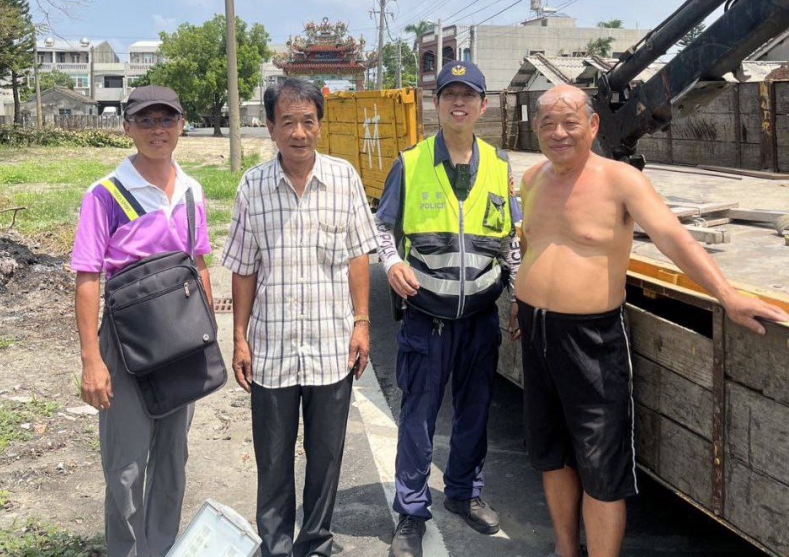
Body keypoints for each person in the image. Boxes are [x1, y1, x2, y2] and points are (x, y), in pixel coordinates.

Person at [514, 84, 789, 557]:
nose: (559, 132)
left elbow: (672, 238)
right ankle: (564, 549)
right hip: (537, 330)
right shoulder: (533, 178)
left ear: (593, 125)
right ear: (536, 128)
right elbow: (533, 245)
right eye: (548, 124)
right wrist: (526, 304)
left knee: (602, 463)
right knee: (550, 451)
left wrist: (727, 296)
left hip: (591, 337)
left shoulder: (620, 180)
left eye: (570, 122)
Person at [222, 78, 378, 557]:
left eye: (308, 121)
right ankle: (275, 545)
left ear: (319, 126)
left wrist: (362, 322)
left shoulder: (345, 178)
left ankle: (315, 543)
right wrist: (240, 338)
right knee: (273, 460)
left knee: (327, 457)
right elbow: (244, 269)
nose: (298, 132)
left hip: (331, 347)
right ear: (270, 127)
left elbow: (357, 257)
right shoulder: (253, 185)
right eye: (287, 122)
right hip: (272, 350)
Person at [376, 60, 522, 557]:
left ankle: (463, 493)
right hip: (428, 317)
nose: (458, 103)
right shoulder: (411, 162)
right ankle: (411, 512)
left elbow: (511, 242)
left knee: (475, 411)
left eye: (469, 95)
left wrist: (517, 296)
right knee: (417, 416)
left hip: (481, 315)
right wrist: (392, 262)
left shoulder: (500, 166)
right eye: (448, 94)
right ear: (435, 104)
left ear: (483, 105)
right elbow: (381, 228)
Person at [71, 85, 215, 557]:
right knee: (126, 467)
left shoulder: (193, 191)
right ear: (127, 127)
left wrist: (209, 338)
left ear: (182, 124)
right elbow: (88, 278)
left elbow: (200, 266)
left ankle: (161, 548)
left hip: (181, 342)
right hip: (126, 345)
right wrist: (92, 361)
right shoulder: (106, 194)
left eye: (167, 119)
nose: (158, 129)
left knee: (173, 459)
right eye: (146, 120)